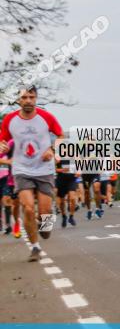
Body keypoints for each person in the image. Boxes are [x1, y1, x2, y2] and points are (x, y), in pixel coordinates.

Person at [0, 87, 63, 261]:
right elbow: (3, 140)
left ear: (36, 99)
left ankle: (46, 227)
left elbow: (60, 135)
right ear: (19, 100)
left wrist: (52, 149)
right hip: (21, 169)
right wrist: (2, 146)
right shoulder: (9, 120)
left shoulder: (46, 117)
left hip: (44, 169)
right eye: (24, 97)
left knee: (45, 211)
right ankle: (35, 247)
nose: (28, 100)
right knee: (27, 208)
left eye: (31, 97)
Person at [1, 141, 20, 237]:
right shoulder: (9, 144)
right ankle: (6, 224)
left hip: (12, 179)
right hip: (9, 179)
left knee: (11, 203)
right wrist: (8, 161)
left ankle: (13, 224)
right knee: (5, 201)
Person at [55, 157, 77, 228]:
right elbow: (52, 169)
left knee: (73, 198)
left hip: (71, 180)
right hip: (61, 180)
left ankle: (71, 216)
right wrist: (62, 170)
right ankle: (64, 216)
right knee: (62, 201)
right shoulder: (58, 156)